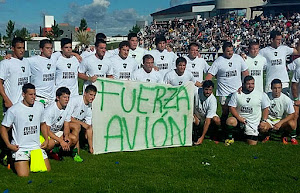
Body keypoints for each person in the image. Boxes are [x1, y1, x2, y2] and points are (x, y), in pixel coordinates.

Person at [0, 83, 50, 176]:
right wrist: (8, 145)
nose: (33, 97)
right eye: (30, 94)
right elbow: (3, 128)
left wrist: (46, 139)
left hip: (36, 147)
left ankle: (30, 160)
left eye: (34, 94)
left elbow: (43, 124)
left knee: (47, 171)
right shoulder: (14, 110)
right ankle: (11, 158)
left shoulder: (39, 106)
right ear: (23, 95)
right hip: (21, 148)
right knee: (23, 175)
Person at [206, 41, 249, 142]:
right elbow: (210, 75)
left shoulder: (238, 58)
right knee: (225, 113)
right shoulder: (218, 61)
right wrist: (207, 88)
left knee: (238, 112)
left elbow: (246, 72)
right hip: (224, 92)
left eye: (231, 51)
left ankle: (239, 132)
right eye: (228, 51)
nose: (230, 53)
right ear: (223, 51)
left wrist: (244, 85)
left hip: (237, 92)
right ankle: (223, 132)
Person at [227, 76, 269, 145]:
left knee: (252, 143)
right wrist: (239, 118)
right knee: (230, 121)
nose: (250, 86)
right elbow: (231, 107)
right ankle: (230, 137)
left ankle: (246, 134)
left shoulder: (261, 94)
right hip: (239, 121)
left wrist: (264, 121)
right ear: (243, 84)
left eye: (252, 83)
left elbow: (266, 108)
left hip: (252, 123)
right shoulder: (237, 94)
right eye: (248, 84)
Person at [43, 87, 82, 161]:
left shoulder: (67, 107)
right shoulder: (50, 110)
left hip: (57, 132)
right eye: (64, 97)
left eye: (68, 97)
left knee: (72, 139)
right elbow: (47, 130)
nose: (67, 99)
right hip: (46, 134)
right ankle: (50, 152)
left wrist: (66, 136)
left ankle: (56, 151)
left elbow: (66, 125)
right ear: (57, 98)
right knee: (50, 144)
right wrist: (61, 141)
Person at [261, 79, 297, 145]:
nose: (277, 90)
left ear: (281, 88)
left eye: (279, 88)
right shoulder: (266, 96)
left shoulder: (286, 99)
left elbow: (292, 114)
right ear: (271, 88)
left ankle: (284, 135)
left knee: (292, 124)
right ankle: (267, 134)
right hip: (269, 120)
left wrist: (280, 123)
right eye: (275, 88)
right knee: (262, 127)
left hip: (280, 121)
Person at [0, 37, 31, 112]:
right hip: (12, 105)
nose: (22, 50)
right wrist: (6, 99)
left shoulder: (26, 62)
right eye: (19, 48)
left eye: (23, 48)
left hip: (25, 105)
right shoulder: (6, 63)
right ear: (13, 48)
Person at [68, 85, 97, 154]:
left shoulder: (89, 107)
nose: (92, 97)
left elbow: (88, 124)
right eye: (90, 95)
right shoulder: (75, 100)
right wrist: (82, 124)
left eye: (94, 95)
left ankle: (91, 149)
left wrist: (88, 131)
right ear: (85, 93)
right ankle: (76, 152)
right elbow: (67, 117)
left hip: (77, 123)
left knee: (89, 128)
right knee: (77, 126)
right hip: (66, 122)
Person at [27, 39, 56, 106]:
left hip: (52, 98)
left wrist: (75, 54)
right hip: (39, 97)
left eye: (51, 48)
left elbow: (65, 52)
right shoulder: (33, 60)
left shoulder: (54, 58)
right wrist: (9, 56)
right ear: (41, 49)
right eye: (47, 48)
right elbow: (20, 60)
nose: (50, 50)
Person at [194, 80, 221, 145]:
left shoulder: (213, 100)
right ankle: (194, 133)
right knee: (191, 118)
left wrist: (202, 137)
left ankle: (215, 134)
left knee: (216, 120)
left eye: (210, 90)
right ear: (202, 88)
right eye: (206, 89)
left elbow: (208, 120)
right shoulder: (196, 91)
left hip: (207, 118)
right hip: (197, 116)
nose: (208, 92)